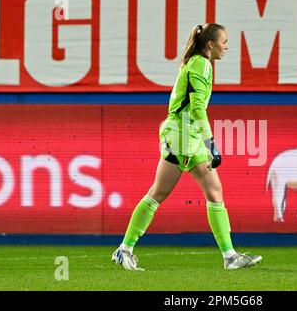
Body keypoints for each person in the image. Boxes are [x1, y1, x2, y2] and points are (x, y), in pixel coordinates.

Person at [111, 23, 262, 271]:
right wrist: (210, 141)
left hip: (188, 134)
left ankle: (230, 256)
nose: (227, 46)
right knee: (159, 192)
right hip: (182, 134)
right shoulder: (201, 64)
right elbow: (197, 108)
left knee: (214, 190)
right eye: (224, 41)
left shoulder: (196, 63)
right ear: (210, 44)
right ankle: (124, 249)